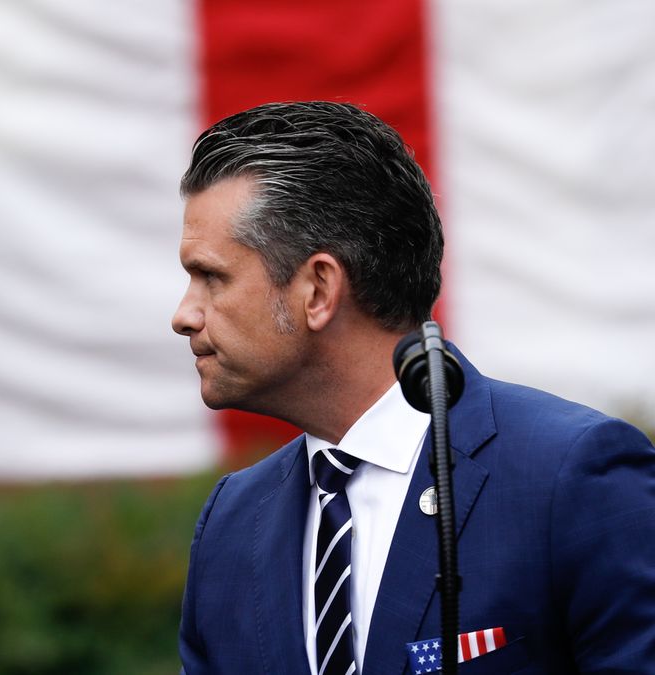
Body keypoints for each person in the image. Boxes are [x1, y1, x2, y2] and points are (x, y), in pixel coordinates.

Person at [172, 101, 655, 674]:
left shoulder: (572, 478)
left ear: (319, 289)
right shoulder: (230, 524)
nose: (184, 315)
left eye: (211, 277)